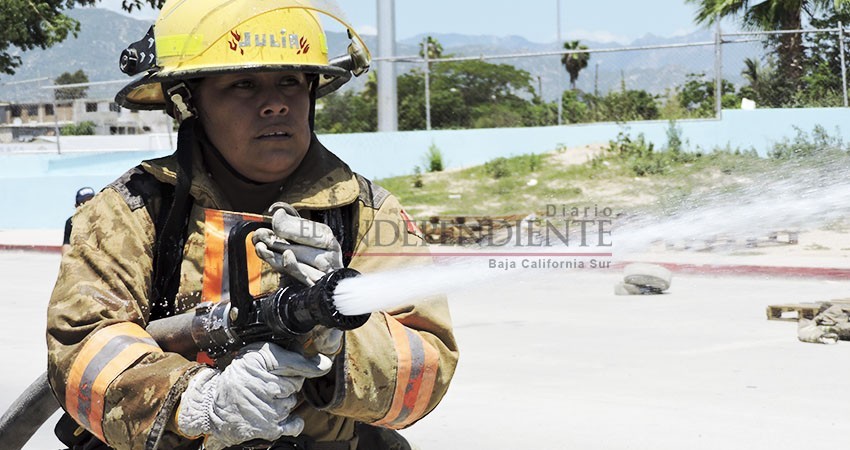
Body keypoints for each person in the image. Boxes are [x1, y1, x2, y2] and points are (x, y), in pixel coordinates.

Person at [46, 1, 459, 450]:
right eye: (243, 84)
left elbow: (426, 369)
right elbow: (81, 350)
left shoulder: (367, 214)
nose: (275, 104)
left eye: (290, 81)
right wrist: (195, 401)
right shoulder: (130, 212)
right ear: (190, 100)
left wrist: (342, 345)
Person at [61, 187, 94, 255]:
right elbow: (67, 244)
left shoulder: (101, 220)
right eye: (84, 202)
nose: (88, 204)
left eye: (91, 201)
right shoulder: (71, 222)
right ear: (77, 205)